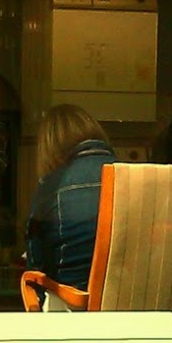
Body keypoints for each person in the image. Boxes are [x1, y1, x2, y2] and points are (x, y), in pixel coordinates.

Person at [25, 104, 115, 290]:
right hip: (137, 303)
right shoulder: (133, 178)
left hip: (74, 303)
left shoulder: (50, 188)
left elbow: (37, 267)